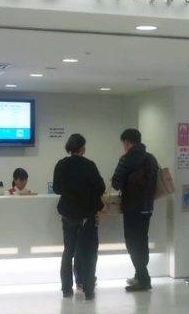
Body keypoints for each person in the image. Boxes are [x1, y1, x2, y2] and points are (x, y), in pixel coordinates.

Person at [53, 134, 105, 299]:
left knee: (68, 251)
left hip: (68, 214)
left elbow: (56, 188)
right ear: (82, 148)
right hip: (86, 215)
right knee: (88, 252)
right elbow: (100, 187)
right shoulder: (89, 165)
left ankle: (66, 288)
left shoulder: (61, 164)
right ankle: (88, 289)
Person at [111, 128, 158, 292]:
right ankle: (140, 275)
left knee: (132, 243)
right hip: (147, 207)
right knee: (142, 242)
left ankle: (144, 279)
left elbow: (116, 183)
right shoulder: (151, 158)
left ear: (127, 142)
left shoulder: (126, 159)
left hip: (132, 207)